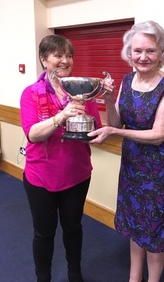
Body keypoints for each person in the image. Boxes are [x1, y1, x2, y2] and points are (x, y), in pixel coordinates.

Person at [88, 21, 164, 282]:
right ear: (129, 53)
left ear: (162, 53)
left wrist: (116, 133)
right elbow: (114, 122)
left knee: (154, 232)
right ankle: (134, 279)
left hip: (159, 173)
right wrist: (109, 100)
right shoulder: (127, 79)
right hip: (133, 167)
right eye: (137, 51)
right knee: (136, 227)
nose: (143, 57)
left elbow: (158, 136)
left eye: (150, 51)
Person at [20, 34, 102, 282]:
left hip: (76, 174)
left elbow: (93, 130)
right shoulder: (31, 93)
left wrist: (104, 98)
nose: (65, 60)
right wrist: (61, 116)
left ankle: (74, 272)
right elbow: (33, 135)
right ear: (44, 60)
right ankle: (42, 277)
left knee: (73, 227)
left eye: (69, 55)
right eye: (58, 55)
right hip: (41, 177)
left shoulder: (82, 91)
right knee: (44, 233)